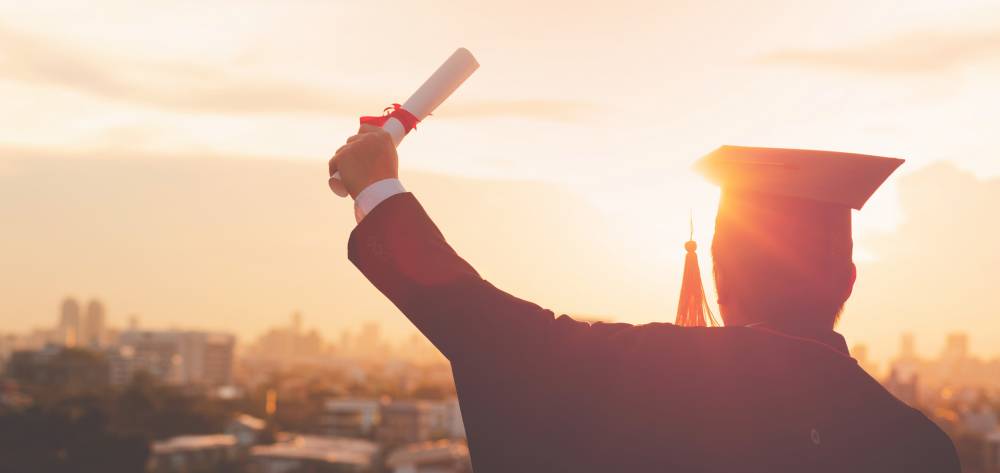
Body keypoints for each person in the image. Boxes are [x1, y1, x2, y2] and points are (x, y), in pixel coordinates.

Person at [328, 125, 960, 472]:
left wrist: (378, 185)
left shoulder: (664, 374)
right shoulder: (918, 448)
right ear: (848, 280)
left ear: (718, 273)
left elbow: (484, 328)